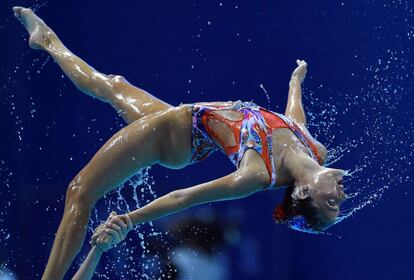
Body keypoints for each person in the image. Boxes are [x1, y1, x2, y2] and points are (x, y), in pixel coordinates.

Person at [13, 6, 348, 280]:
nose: (342, 196)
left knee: (80, 190)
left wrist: (131, 219)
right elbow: (294, 118)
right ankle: (46, 41)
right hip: (183, 124)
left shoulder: (258, 174)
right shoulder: (314, 149)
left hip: (171, 136)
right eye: (339, 204)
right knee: (111, 85)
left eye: (331, 204)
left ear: (303, 193)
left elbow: (183, 197)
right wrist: (295, 83)